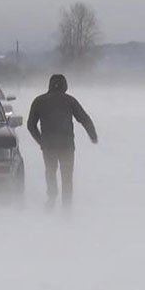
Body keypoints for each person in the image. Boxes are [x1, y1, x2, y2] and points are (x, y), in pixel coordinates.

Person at [28, 74, 98, 208]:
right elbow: (84, 119)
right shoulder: (69, 100)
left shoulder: (39, 101)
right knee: (67, 176)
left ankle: (52, 198)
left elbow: (31, 125)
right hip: (67, 146)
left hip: (48, 146)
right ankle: (66, 205)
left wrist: (41, 140)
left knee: (50, 172)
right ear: (65, 85)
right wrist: (93, 135)